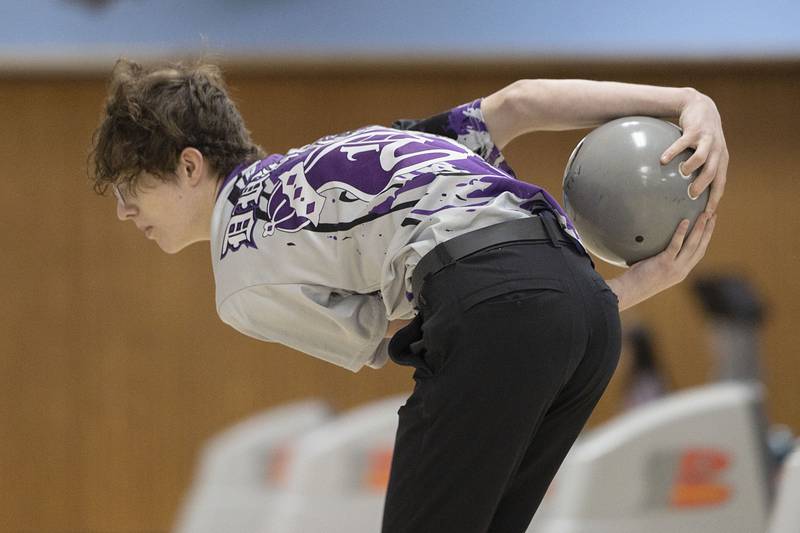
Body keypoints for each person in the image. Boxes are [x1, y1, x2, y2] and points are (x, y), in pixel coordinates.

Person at [89, 59, 727, 533]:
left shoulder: (239, 270)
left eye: (128, 188)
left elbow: (415, 324)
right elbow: (521, 102)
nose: (123, 213)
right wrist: (685, 100)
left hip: (503, 311)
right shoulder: (353, 148)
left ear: (190, 165)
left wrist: (623, 288)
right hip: (586, 314)